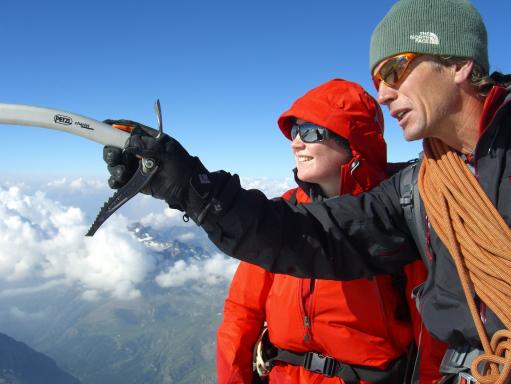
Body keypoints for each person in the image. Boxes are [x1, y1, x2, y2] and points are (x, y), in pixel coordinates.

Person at [102, 1, 511, 382]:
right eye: (294, 132)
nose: (384, 93)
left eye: (394, 71)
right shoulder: (420, 193)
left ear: (457, 62)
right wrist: (191, 186)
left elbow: (425, 335)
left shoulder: (418, 196)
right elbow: (304, 241)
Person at [216, 79, 442, 384]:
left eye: (310, 132)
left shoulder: (397, 217)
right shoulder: (284, 213)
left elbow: (432, 335)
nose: (295, 143)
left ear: (353, 142)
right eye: (295, 131)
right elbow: (242, 311)